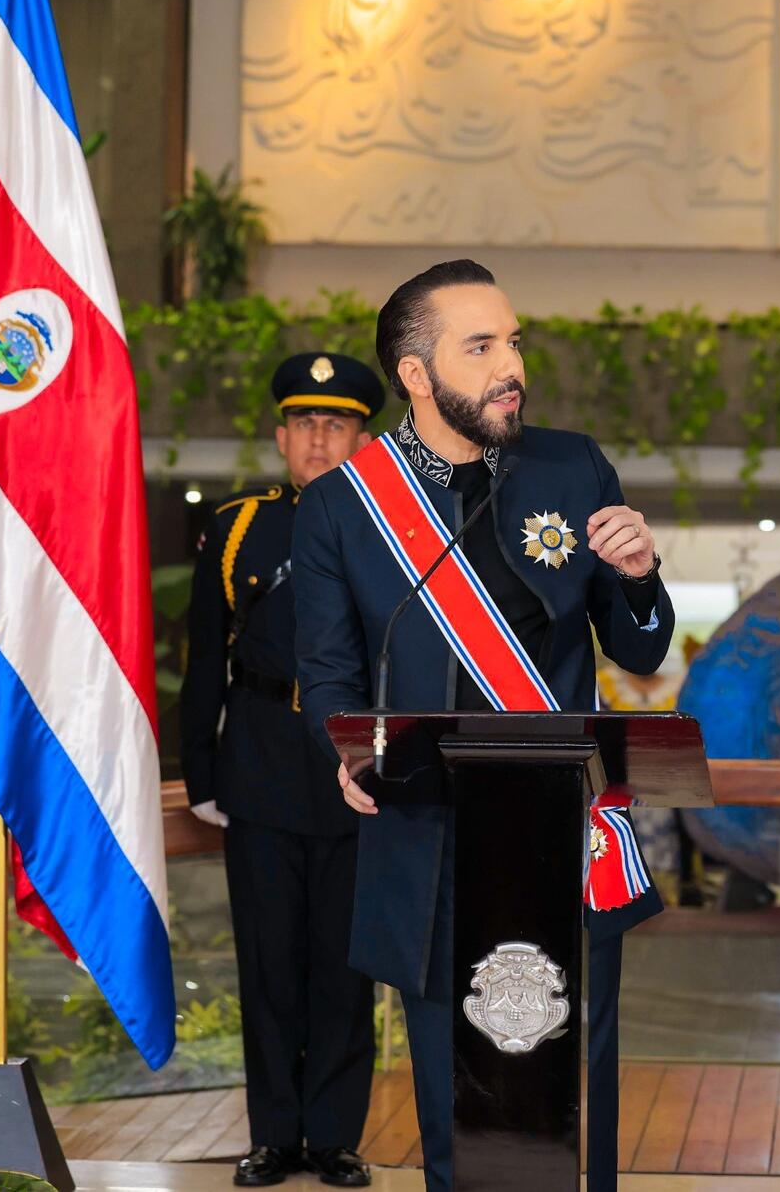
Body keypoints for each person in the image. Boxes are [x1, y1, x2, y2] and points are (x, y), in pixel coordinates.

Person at [292, 259, 673, 1192]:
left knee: (577, 1100)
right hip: (430, 839)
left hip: (569, 833)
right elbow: (329, 674)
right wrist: (344, 755)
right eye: (481, 346)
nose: (512, 365)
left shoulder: (570, 462)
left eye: (513, 342)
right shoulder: (345, 504)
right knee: (453, 1105)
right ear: (417, 375)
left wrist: (636, 575)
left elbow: (643, 651)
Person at [180, 351, 388, 1189]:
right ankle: (273, 1136)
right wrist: (201, 773)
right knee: (268, 963)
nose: (320, 436)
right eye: (306, 421)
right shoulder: (237, 526)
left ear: (363, 438)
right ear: (281, 434)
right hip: (261, 759)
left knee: (345, 963)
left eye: (337, 423)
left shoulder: (393, 529)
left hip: (355, 765)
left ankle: (334, 1138)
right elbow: (204, 660)